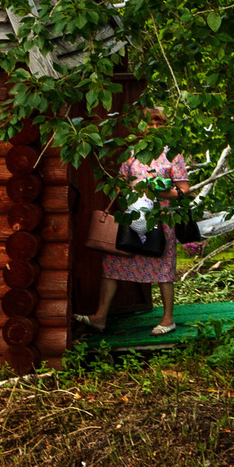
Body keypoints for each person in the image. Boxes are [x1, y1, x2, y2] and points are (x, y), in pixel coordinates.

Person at [82, 128, 199, 335]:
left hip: (161, 218)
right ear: (142, 128)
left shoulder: (172, 155)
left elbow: (184, 189)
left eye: (158, 121)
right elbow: (120, 182)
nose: (153, 126)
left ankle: (168, 319)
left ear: (165, 126)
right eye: (150, 122)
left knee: (163, 266)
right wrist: (131, 195)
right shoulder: (132, 152)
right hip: (133, 216)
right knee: (113, 262)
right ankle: (100, 317)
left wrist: (162, 193)